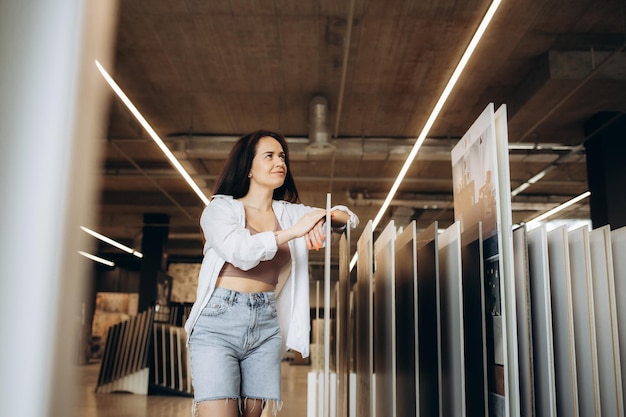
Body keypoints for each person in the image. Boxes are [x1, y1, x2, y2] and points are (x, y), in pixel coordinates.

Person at [184, 130, 359, 417]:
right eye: (269, 156)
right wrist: (294, 231)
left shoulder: (289, 212)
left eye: (282, 156)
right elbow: (240, 251)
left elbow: (348, 218)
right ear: (248, 167)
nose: (280, 162)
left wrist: (321, 217)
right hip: (218, 323)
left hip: (266, 326)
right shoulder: (220, 209)